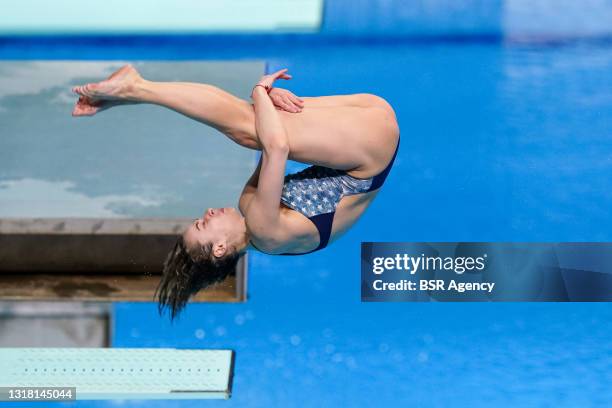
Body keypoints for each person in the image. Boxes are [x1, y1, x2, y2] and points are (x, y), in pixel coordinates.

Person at [72, 65, 400, 318]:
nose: (207, 213)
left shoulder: (250, 210)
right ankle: (135, 88)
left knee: (250, 123)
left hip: (369, 126)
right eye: (203, 224)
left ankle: (134, 91)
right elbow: (277, 146)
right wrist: (261, 88)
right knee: (248, 126)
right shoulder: (264, 229)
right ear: (220, 248)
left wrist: (268, 101)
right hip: (371, 139)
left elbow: (268, 140)